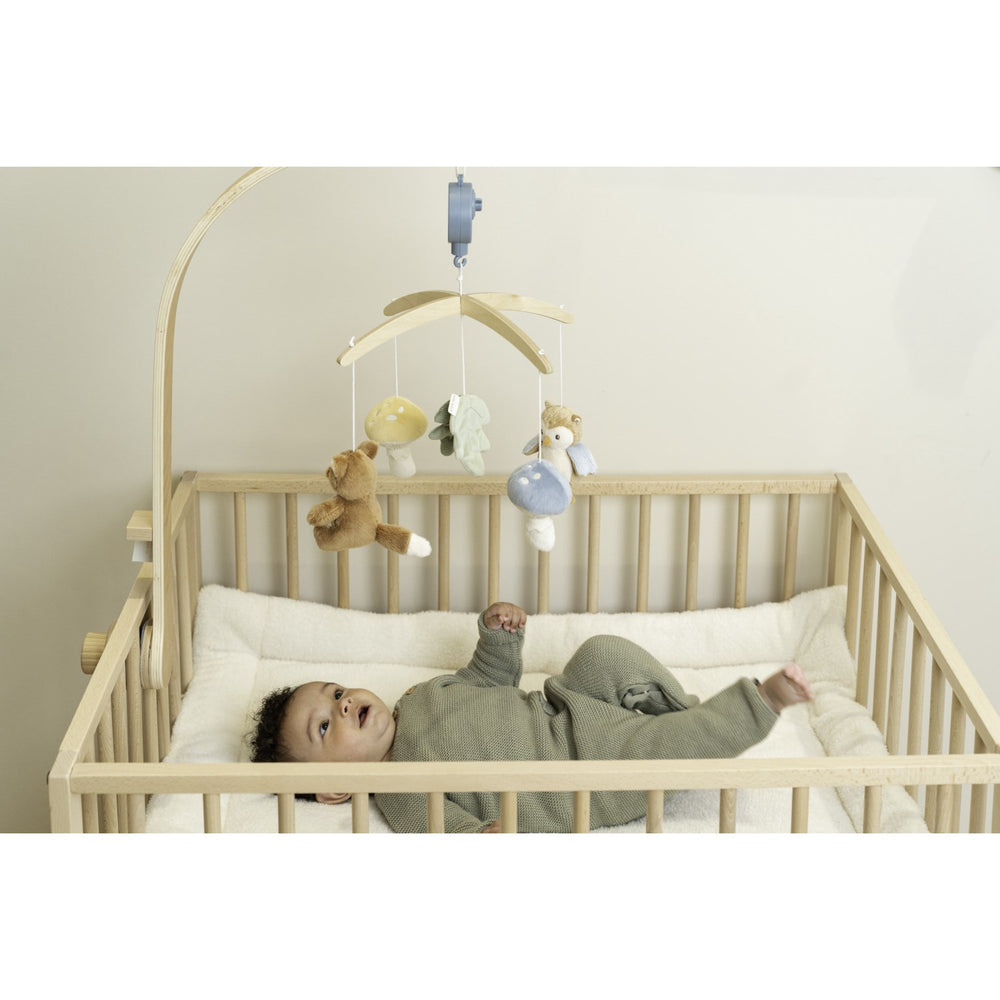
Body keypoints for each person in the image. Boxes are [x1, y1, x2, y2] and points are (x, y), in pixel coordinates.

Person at [248, 601, 813, 833]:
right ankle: (759, 705)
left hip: (562, 706)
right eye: (326, 726)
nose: (344, 704)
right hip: (578, 774)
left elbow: (487, 680)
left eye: (336, 693)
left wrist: (497, 636)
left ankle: (682, 714)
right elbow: (454, 835)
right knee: (651, 750)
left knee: (602, 653)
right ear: (334, 790)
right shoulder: (399, 792)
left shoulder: (418, 696)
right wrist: (488, 835)